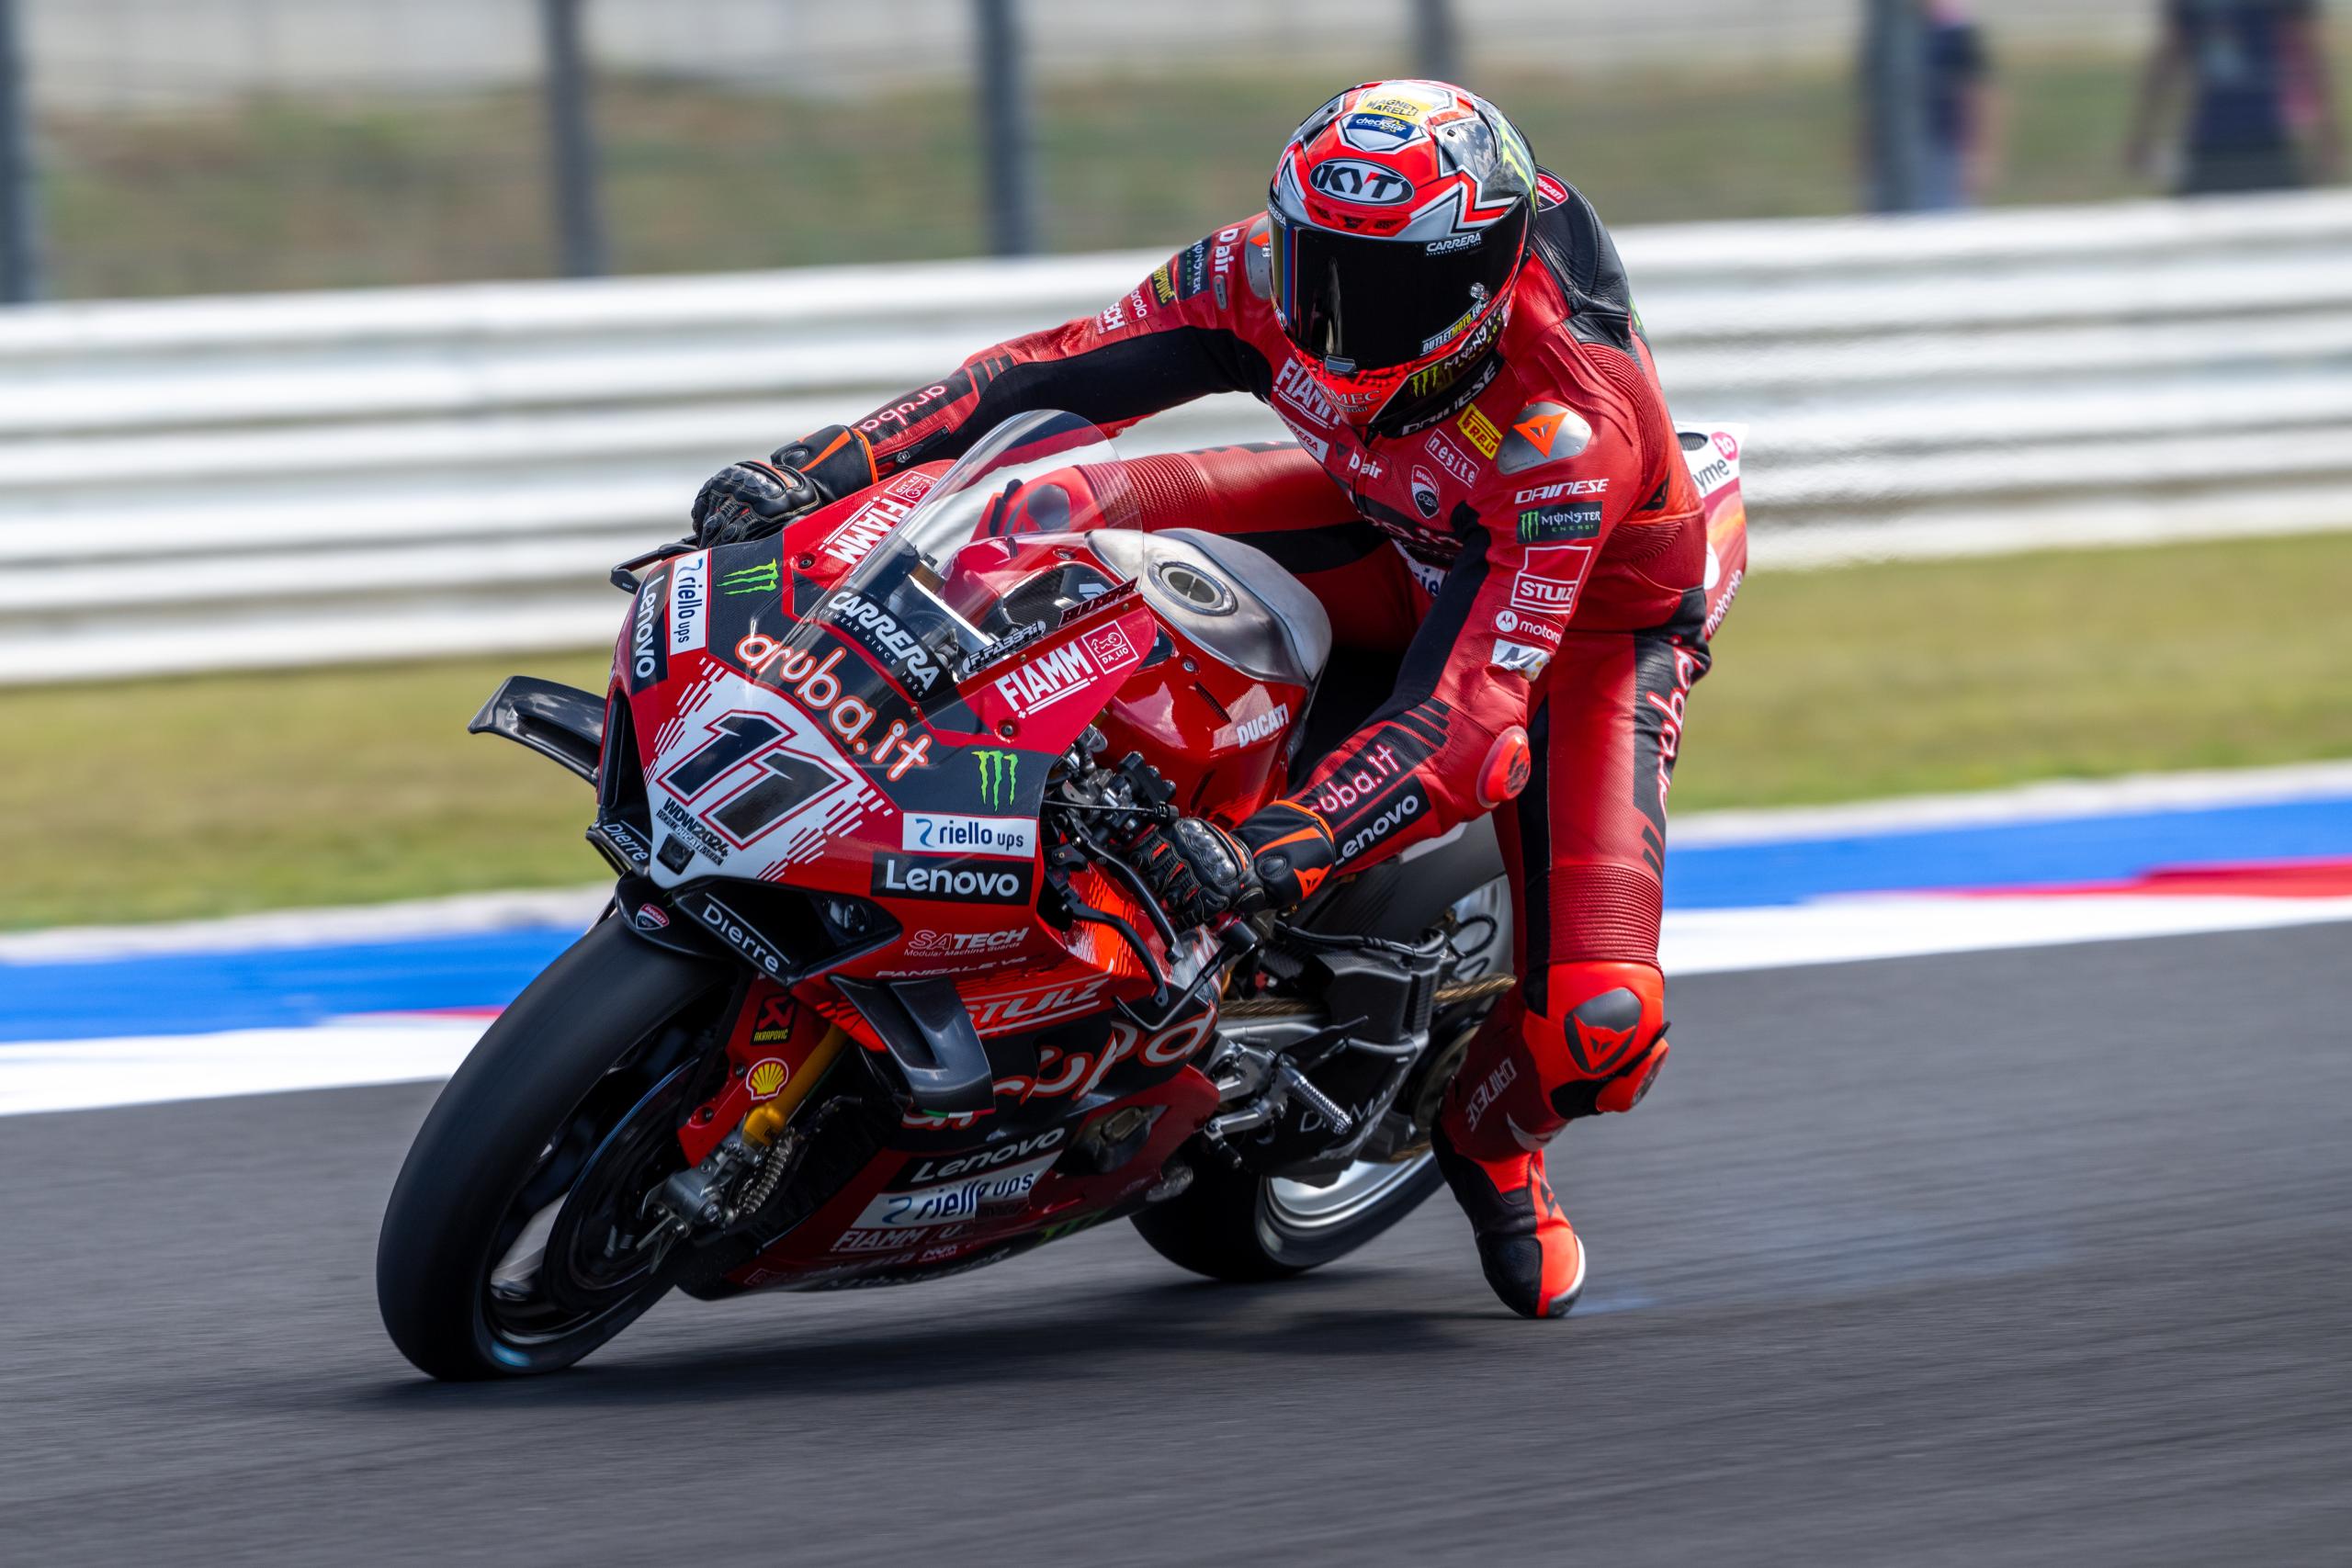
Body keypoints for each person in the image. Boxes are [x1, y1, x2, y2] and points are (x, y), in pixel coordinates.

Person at [688, 80, 1724, 1320]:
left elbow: (1470, 715)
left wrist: (1272, 849)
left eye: (1377, 291)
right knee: (1035, 509)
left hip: (1579, 630)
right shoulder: (1254, 272)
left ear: (1474, 284)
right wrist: (816, 468)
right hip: (1380, 513)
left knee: (1599, 1025)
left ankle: (1490, 1141)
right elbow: (1044, 374)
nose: (1330, 323)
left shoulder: (1569, 425)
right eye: (1314, 267)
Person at [2126, 0, 2344, 195]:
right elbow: (2171, 53)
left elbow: (2307, 50)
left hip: (2260, 135)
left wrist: (2327, 132)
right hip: (2227, 137)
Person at [1922, 2, 1997, 209]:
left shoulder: (1953, 31)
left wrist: (1978, 156)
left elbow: (1979, 94)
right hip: (1902, 154)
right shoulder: (1898, 33)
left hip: (1945, 150)